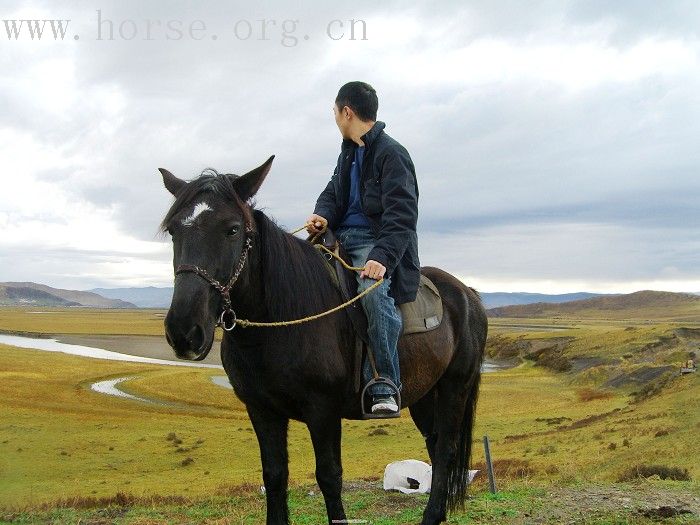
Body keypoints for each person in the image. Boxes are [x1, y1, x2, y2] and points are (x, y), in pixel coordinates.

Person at [306, 81, 420, 415]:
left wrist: (381, 258)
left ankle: (384, 384)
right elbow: (332, 192)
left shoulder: (392, 154)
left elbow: (402, 216)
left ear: (347, 112)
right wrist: (321, 216)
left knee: (372, 292)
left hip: (375, 242)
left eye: (335, 113)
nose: (336, 120)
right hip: (338, 238)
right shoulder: (348, 153)